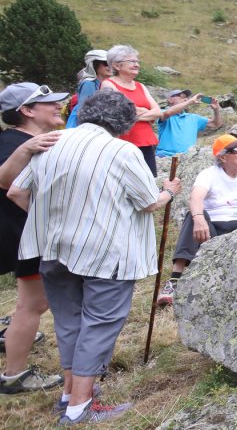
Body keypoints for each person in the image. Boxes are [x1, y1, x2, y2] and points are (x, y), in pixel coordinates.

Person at [10, 90, 180, 425]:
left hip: (53, 249)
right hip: (106, 253)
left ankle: (69, 393)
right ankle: (80, 408)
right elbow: (148, 202)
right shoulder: (122, 151)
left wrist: (50, 220)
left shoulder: (52, 142)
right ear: (124, 122)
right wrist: (169, 191)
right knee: (99, 324)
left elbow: (16, 191)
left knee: (69, 321)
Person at [0, 83, 68, 395]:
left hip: (28, 233)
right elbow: (5, 181)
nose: (57, 106)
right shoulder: (14, 142)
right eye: (48, 103)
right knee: (33, 304)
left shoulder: (30, 140)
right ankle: (13, 375)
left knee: (32, 303)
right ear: (26, 111)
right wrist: (26, 150)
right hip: (25, 235)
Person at [156, 134, 237, 306]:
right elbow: (196, 198)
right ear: (223, 157)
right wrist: (199, 219)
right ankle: (174, 280)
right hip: (210, 228)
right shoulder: (208, 174)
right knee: (194, 216)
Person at [99, 44, 161, 174]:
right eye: (132, 61)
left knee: (150, 179)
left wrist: (132, 114)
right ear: (117, 65)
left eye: (137, 61)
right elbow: (122, 111)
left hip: (145, 142)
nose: (137, 65)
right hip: (123, 143)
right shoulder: (108, 84)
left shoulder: (140, 86)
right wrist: (144, 112)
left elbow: (157, 112)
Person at [156, 89, 222, 158]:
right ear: (170, 100)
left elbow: (215, 124)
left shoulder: (194, 117)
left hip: (187, 158)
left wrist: (216, 110)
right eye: (182, 97)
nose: (186, 99)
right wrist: (190, 102)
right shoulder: (162, 112)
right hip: (166, 157)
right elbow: (168, 113)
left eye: (186, 98)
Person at [65, 50, 109, 129]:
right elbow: (84, 111)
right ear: (94, 65)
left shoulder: (104, 83)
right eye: (106, 63)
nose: (110, 66)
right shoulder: (89, 84)